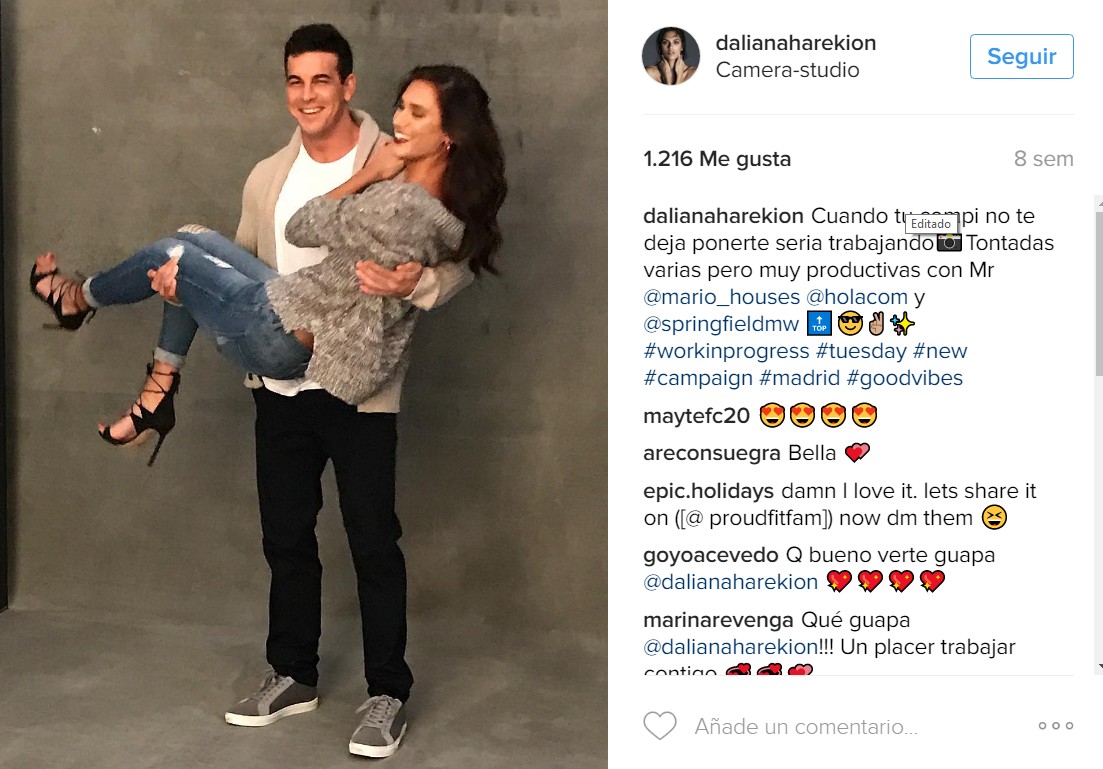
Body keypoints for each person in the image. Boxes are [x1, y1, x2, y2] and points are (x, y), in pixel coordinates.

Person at [31, 25, 506, 759]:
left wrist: (414, 275)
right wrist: (190, 289)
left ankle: (386, 691)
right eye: (295, 81)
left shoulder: (388, 165)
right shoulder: (267, 176)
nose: (307, 95)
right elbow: (249, 266)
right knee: (286, 536)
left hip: (353, 388)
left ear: (347, 86)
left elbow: (450, 260)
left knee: (373, 542)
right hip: (279, 376)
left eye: (322, 80)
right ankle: (292, 674)